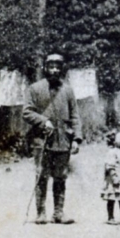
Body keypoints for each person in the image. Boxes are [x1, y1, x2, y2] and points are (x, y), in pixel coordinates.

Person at [23, 53, 82, 224]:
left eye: (58, 66)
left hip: (63, 139)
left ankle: (58, 213)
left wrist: (77, 139)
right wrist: (43, 121)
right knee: (42, 175)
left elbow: (75, 115)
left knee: (61, 176)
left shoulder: (68, 90)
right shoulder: (35, 89)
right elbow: (26, 112)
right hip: (41, 141)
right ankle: (41, 213)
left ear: (61, 68)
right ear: (45, 68)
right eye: (51, 66)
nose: (55, 70)